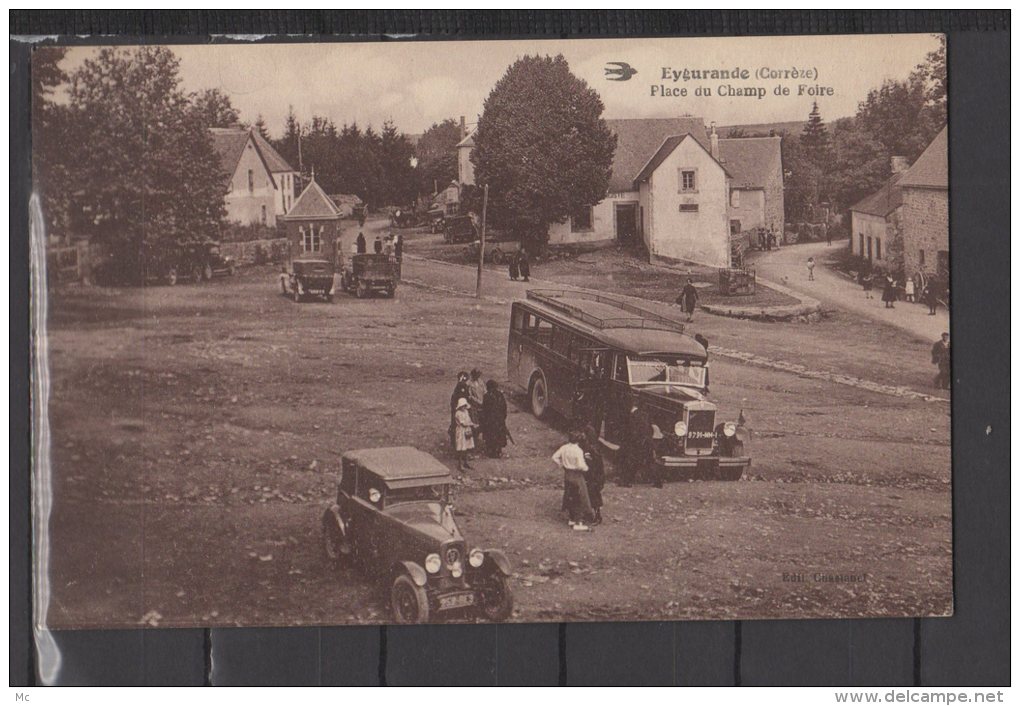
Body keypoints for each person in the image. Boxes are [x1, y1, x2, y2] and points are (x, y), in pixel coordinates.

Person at [553, 430, 593, 530]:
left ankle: (571, 518)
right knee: (579, 497)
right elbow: (580, 465)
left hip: (567, 474)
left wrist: (561, 464)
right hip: (576, 475)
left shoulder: (564, 447)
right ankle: (578, 522)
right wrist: (586, 468)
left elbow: (554, 457)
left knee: (569, 495)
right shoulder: (578, 450)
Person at [581, 424, 605, 525]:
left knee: (594, 496)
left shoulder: (592, 448)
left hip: (593, 477)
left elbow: (597, 465)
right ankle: (593, 515)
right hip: (593, 476)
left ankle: (597, 516)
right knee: (592, 496)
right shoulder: (592, 446)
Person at [480, 380, 509, 458]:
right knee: (498, 435)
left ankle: (493, 451)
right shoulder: (500, 395)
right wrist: (503, 417)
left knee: (491, 436)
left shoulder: (487, 396)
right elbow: (504, 407)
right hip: (498, 420)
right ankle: (497, 451)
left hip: (491, 420)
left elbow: (484, 409)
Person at [453, 398, 478, 471]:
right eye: (462, 406)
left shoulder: (466, 411)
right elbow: (463, 423)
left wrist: (472, 424)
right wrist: (472, 424)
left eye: (465, 405)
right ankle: (460, 464)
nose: (464, 407)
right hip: (461, 431)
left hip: (467, 430)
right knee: (461, 447)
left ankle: (465, 462)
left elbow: (469, 420)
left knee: (466, 447)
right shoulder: (458, 413)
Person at [449, 371, 471, 448]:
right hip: (460, 409)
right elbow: (463, 397)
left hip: (459, 408)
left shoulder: (459, 387)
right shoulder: (462, 387)